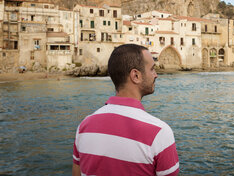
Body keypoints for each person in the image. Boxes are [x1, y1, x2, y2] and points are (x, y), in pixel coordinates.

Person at [72, 44, 179, 176]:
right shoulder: (160, 133)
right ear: (136, 76)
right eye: (152, 69)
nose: (156, 75)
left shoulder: (84, 126)